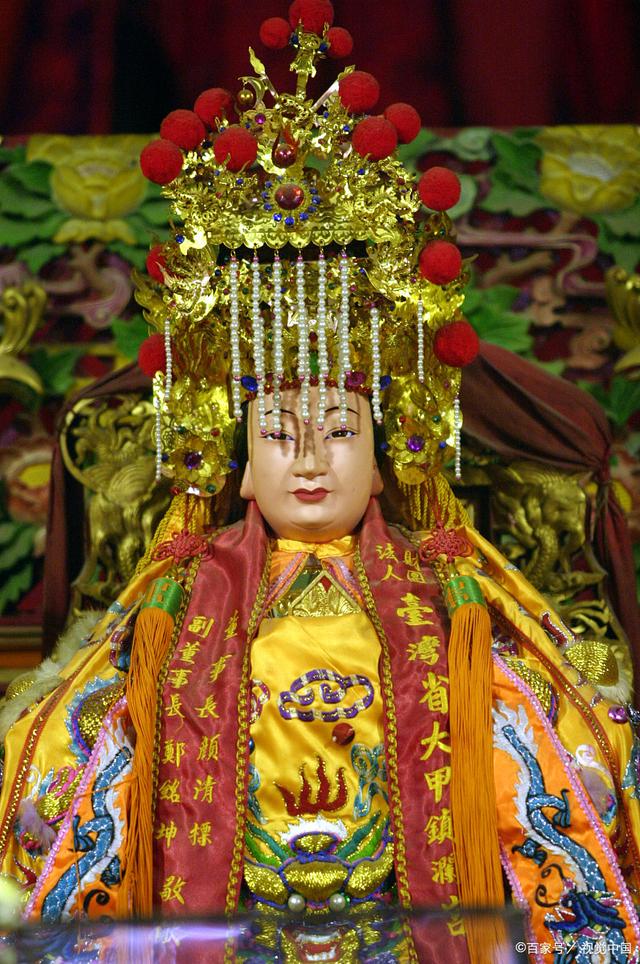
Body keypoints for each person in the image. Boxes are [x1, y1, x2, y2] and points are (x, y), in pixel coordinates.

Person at [0, 2, 639, 961]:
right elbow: (58, 773)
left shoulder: (453, 598)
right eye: (278, 434)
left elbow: (570, 759)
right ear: (237, 469)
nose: (308, 458)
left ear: (384, 463)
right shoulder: (177, 605)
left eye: (341, 431)